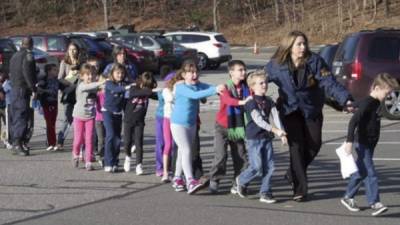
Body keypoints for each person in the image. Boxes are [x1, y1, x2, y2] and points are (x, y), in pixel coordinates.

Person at [265, 30, 353, 201]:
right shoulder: (276, 64)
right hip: (289, 110)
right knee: (296, 149)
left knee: (314, 144)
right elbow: (259, 79)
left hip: (311, 109)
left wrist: (345, 99)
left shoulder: (315, 61)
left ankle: (292, 172)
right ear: (289, 46)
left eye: (304, 43)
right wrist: (241, 87)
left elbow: (330, 83)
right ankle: (300, 189)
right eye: (299, 44)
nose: (303, 47)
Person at [340, 73, 399, 216]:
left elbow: (358, 104)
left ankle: (348, 197)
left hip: (370, 143)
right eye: (387, 92)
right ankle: (375, 203)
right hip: (362, 143)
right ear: (377, 88)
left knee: (361, 172)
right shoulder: (369, 102)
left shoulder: (374, 102)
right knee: (370, 173)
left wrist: (350, 106)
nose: (388, 96)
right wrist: (349, 141)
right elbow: (353, 121)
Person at [170, 62, 225, 194]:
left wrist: (221, 88)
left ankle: (177, 178)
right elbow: (195, 95)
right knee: (186, 149)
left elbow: (210, 87)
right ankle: (190, 181)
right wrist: (215, 90)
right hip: (178, 123)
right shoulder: (181, 87)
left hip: (191, 123)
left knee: (183, 152)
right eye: (191, 72)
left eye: (196, 72)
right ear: (184, 75)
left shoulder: (198, 85)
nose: (194, 75)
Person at [236, 70, 287, 203]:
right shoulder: (250, 102)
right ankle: (241, 180)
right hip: (254, 138)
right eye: (260, 83)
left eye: (265, 82)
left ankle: (265, 192)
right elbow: (258, 120)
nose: (264, 85)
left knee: (269, 166)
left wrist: (282, 132)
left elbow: (275, 116)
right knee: (256, 167)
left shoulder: (269, 100)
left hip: (267, 138)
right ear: (252, 86)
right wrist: (275, 130)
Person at [208, 60, 251, 194]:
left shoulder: (247, 87)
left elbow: (255, 95)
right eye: (240, 70)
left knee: (240, 156)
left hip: (237, 127)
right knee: (220, 155)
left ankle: (238, 181)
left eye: (244, 69)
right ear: (231, 72)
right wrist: (242, 102)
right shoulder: (224, 87)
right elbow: (227, 100)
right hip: (222, 126)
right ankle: (215, 179)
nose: (243, 72)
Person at [123, 72, 158, 174]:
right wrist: (149, 91)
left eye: (148, 87)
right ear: (140, 82)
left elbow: (156, 96)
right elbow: (135, 93)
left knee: (139, 143)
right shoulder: (133, 88)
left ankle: (139, 165)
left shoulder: (147, 92)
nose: (146, 89)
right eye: (145, 86)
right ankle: (128, 157)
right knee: (127, 142)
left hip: (140, 122)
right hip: (128, 120)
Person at [71, 63, 105, 170]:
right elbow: (89, 86)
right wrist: (101, 82)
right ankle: (76, 154)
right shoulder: (81, 86)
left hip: (90, 117)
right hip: (79, 116)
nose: (90, 77)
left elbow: (102, 89)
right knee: (78, 139)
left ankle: (88, 161)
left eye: (92, 74)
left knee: (89, 139)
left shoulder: (95, 86)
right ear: (82, 76)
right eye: (87, 74)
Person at [8, 37, 37, 156]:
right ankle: (18, 143)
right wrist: (33, 88)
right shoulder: (28, 55)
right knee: (22, 115)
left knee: (15, 115)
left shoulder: (14, 56)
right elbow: (27, 72)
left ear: (22, 44)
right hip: (22, 89)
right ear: (31, 45)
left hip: (14, 88)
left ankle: (15, 141)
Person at [103, 63, 130, 173]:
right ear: (112, 73)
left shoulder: (124, 84)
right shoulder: (109, 83)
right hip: (108, 112)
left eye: (122, 73)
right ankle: (108, 162)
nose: (120, 75)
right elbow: (117, 89)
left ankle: (115, 162)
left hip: (118, 114)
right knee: (110, 135)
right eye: (117, 73)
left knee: (118, 139)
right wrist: (127, 87)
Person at [57, 42, 83, 150]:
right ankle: (60, 140)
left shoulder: (82, 63)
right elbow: (59, 78)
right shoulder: (64, 62)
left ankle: (80, 141)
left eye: (74, 49)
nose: (72, 52)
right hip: (68, 94)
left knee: (80, 119)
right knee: (67, 118)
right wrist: (68, 82)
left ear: (78, 51)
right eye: (70, 49)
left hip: (80, 95)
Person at [37, 64, 59, 151]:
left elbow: (63, 87)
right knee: (49, 124)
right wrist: (47, 91)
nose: (56, 72)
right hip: (46, 104)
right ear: (49, 71)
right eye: (54, 70)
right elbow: (38, 89)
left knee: (53, 124)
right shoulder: (43, 80)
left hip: (55, 104)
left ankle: (51, 142)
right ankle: (51, 143)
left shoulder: (56, 80)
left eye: (57, 70)